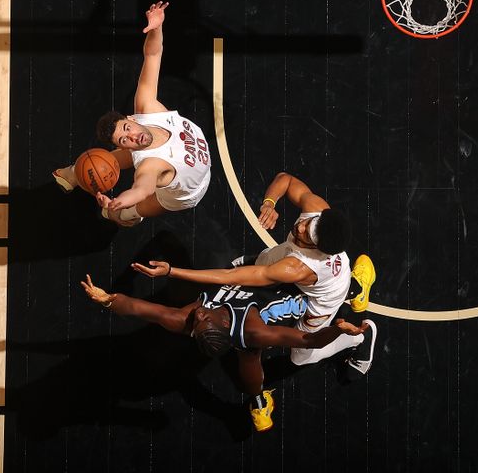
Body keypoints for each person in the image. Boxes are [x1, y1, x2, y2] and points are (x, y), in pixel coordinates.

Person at [131, 171, 377, 378]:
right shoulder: (316, 211)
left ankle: (358, 337)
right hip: (303, 262)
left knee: (300, 355)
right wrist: (269, 203)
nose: (299, 226)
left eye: (305, 233)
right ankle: (355, 288)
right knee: (265, 260)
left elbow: (231, 278)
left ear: (316, 247)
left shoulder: (297, 267)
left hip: (325, 295)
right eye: (306, 223)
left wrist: (173, 271)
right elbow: (286, 179)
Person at [80, 274, 370, 432]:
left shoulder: (188, 320)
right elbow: (310, 340)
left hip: (244, 301)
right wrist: (340, 330)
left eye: (200, 319)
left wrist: (107, 300)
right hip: (286, 305)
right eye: (201, 319)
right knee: (300, 292)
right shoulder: (256, 331)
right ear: (222, 322)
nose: (199, 314)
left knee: (247, 357)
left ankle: (258, 400)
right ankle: (352, 290)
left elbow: (141, 310)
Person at [53, 1, 212, 226]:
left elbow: (153, 56)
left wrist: (157, 28)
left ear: (131, 119)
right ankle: (118, 214)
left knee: (125, 155)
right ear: (123, 146)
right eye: (124, 141)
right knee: (132, 212)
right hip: (187, 193)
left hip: (192, 171)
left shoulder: (147, 109)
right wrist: (119, 202)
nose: (132, 136)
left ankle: (72, 174)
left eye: (127, 129)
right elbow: (142, 189)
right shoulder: (150, 165)